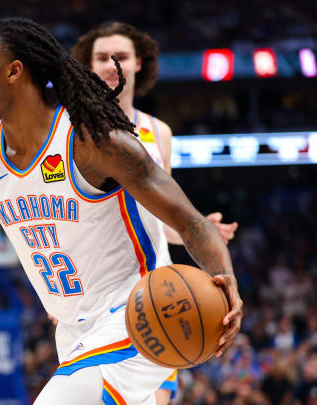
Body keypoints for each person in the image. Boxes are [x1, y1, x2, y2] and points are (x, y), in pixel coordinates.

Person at [0, 18, 243, 404]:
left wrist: (224, 277)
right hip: (72, 334)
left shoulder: (94, 142)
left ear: (13, 72)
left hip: (139, 316)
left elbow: (191, 222)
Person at [70, 21, 240, 404]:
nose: (112, 63)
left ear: (139, 63)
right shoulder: (70, 131)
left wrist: (197, 230)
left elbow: (161, 220)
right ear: (87, 65)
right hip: (92, 291)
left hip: (154, 289)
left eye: (122, 56)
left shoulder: (157, 131)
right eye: (101, 57)